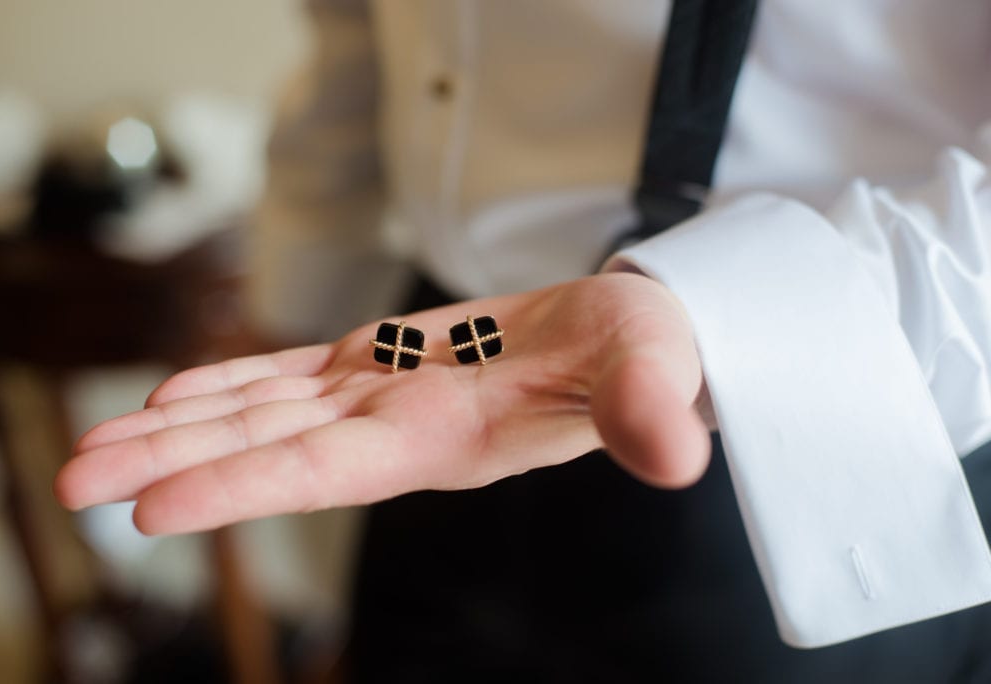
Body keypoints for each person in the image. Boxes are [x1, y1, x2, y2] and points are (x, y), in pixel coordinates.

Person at [56, 1, 991, 681]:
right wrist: (301, 288)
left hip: (786, 422)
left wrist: (722, 317)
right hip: (430, 385)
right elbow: (358, 31)